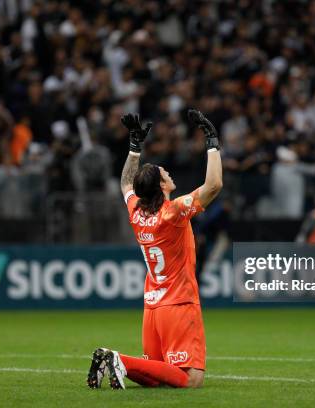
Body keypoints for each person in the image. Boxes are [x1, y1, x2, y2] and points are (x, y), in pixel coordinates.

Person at [87, 109, 222, 389]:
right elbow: (214, 185)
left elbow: (126, 182)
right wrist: (212, 142)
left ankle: (116, 361)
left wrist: (134, 147)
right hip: (178, 304)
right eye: (164, 173)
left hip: (152, 307)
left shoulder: (136, 210)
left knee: (156, 376)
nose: (168, 172)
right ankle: (120, 359)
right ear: (162, 186)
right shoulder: (172, 214)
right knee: (190, 379)